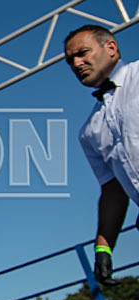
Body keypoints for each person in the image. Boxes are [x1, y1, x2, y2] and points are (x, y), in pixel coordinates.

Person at [64, 24, 139, 285]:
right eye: (70, 60)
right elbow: (113, 189)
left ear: (111, 48)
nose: (76, 63)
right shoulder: (89, 132)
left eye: (82, 53)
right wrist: (103, 246)